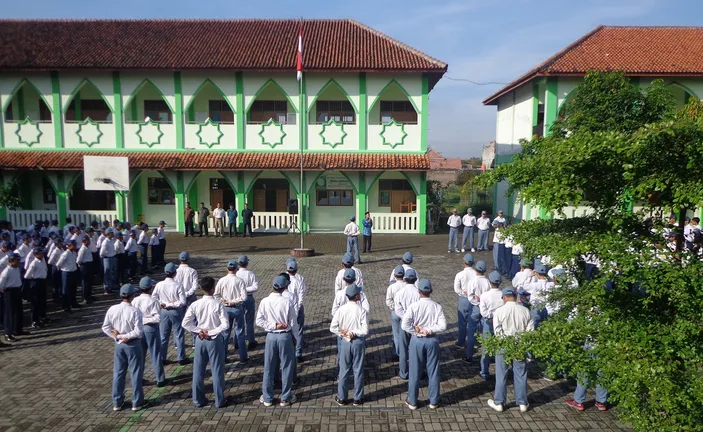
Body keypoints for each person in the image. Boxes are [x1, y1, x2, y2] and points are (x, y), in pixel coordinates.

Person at [182, 276, 229, 408]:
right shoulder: (218, 304)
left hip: (200, 340)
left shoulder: (195, 304)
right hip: (214, 340)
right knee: (217, 370)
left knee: (198, 370)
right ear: (213, 288)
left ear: (201, 288)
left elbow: (185, 323)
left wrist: (198, 331)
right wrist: (212, 332)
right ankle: (219, 400)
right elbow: (225, 324)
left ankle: (198, 400)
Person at [402, 279, 447, 410]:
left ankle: (412, 401)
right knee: (433, 371)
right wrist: (430, 330)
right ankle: (434, 401)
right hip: (432, 340)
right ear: (430, 292)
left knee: (414, 371)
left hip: (417, 341)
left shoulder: (414, 306)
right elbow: (443, 326)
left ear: (419, 291)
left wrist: (415, 331)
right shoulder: (437, 307)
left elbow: (404, 324)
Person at [487, 287, 534, 413]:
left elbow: (497, 331)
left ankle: (499, 402)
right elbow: (530, 331)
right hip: (520, 345)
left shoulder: (499, 311)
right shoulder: (525, 310)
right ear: (515, 296)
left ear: (505, 297)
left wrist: (507, 341)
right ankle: (522, 402)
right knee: (521, 374)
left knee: (501, 374)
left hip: (504, 345)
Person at [102, 283, 144, 412]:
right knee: (135, 372)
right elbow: (138, 332)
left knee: (119, 373)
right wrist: (126, 336)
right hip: (133, 344)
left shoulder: (112, 309)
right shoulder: (135, 311)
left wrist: (117, 337)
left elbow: (105, 327)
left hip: (119, 345)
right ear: (132, 296)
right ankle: (136, 402)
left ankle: (117, 402)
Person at [256, 275, 297, 407]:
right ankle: (285, 397)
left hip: (271, 336)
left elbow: (259, 321)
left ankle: (267, 397)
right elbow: (293, 322)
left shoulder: (265, 301)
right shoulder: (287, 302)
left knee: (269, 367)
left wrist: (273, 325)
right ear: (285, 287)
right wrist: (295, 337)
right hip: (285, 336)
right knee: (286, 367)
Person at [331, 282, 368, 406]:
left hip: (345, 342)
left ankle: (342, 397)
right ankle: (358, 398)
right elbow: (365, 330)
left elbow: (333, 327)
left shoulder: (341, 310)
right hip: (358, 342)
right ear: (357, 296)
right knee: (358, 370)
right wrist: (354, 333)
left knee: (344, 370)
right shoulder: (362, 310)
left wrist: (343, 333)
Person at [152, 263, 190, 365]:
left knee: (163, 335)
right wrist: (171, 304)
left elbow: (154, 298)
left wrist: (162, 304)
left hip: (163, 311)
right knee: (178, 334)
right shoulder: (178, 285)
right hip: (176, 312)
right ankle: (181, 357)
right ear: (175, 273)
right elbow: (182, 302)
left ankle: (162, 357)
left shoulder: (159, 285)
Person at [132, 277, 166, 388]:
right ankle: (160, 379)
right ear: (151, 288)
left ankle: (139, 378)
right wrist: (146, 319)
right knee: (155, 353)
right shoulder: (153, 301)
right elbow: (157, 318)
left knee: (140, 355)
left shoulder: (135, 300)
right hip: (150, 329)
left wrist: (140, 321)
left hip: (139, 329)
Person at [214, 260, 247, 363]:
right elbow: (244, 297)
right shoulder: (240, 281)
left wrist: (224, 301)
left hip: (225, 309)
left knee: (225, 333)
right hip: (237, 308)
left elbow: (216, 295)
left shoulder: (221, 280)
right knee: (240, 332)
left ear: (227, 269)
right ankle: (243, 357)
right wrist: (233, 302)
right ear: (236, 269)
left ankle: (223, 357)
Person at [393, 268, 420, 380]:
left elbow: (397, 310)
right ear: (415, 279)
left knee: (403, 349)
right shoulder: (419, 293)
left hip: (404, 324)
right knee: (416, 350)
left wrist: (405, 318)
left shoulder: (400, 293)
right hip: (416, 324)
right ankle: (417, 372)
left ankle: (403, 372)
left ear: (405, 279)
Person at [463, 260, 491, 363]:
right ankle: (486, 356)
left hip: (475, 307)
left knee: (471, 331)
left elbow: (470, 297)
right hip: (485, 307)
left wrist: (477, 301)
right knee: (486, 332)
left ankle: (469, 355)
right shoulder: (488, 282)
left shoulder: (472, 282)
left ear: (475, 270)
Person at [478, 271, 504, 380]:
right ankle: (500, 370)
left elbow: (483, 312)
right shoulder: (503, 294)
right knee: (500, 346)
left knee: (486, 348)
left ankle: (484, 371)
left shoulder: (485, 295)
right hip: (501, 323)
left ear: (490, 282)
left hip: (488, 322)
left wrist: (491, 316)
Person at [286, 258, 307, 362]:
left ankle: (289, 351)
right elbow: (301, 295)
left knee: (288, 329)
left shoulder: (283, 278)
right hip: (297, 308)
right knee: (298, 330)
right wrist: (297, 309)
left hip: (285, 308)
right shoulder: (300, 279)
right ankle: (298, 352)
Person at [453, 253, 476, 349]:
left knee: (462, 321)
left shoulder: (460, 274)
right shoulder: (476, 273)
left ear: (464, 262)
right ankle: (473, 341)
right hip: (474, 299)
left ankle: (461, 341)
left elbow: (456, 289)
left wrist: (463, 292)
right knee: (473, 321)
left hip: (463, 299)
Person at [1, 252, 25, 343]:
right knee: (9, 312)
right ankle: (8, 333)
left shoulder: (16, 269)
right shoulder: (7, 271)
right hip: (9, 292)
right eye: (17, 260)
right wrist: (4, 290)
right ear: (12, 261)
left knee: (18, 310)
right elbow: (1, 284)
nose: (19, 262)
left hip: (17, 290)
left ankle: (18, 329)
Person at [237, 255, 259, 349]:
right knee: (249, 321)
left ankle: (238, 342)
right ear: (247, 263)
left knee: (238, 322)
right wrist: (245, 290)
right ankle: (251, 341)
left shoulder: (236, 274)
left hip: (238, 298)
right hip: (248, 297)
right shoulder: (251, 274)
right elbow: (255, 287)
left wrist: (242, 290)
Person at [522, 264, 553, 329]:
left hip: (536, 308)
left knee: (534, 327)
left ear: (537, 274)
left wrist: (530, 276)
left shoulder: (535, 285)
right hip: (547, 307)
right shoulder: (550, 284)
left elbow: (525, 286)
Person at [386, 265, 407, 358]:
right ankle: (405, 352)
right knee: (405, 334)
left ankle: (398, 352)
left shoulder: (392, 287)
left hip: (395, 312)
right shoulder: (408, 286)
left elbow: (388, 300)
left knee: (396, 334)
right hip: (406, 313)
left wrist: (394, 307)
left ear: (394, 275)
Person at [57, 240, 80, 313]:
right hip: (66, 273)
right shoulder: (65, 254)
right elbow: (58, 264)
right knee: (66, 290)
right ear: (69, 245)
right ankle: (66, 306)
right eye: (74, 245)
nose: (75, 247)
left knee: (73, 289)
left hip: (73, 272)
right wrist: (63, 269)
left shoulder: (73, 253)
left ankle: (73, 303)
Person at [77, 236, 95, 303]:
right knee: (85, 282)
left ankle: (89, 295)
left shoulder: (88, 247)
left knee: (89, 281)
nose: (89, 242)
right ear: (84, 241)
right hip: (85, 265)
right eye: (88, 240)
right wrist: (81, 266)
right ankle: (85, 297)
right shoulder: (82, 249)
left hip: (89, 264)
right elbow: (79, 260)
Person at [101, 228, 118, 294]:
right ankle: (107, 288)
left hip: (112, 258)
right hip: (107, 259)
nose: (113, 234)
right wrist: (107, 256)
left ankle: (111, 286)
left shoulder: (111, 240)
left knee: (112, 273)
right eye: (112, 233)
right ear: (108, 234)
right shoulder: (105, 242)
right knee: (107, 274)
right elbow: (102, 253)